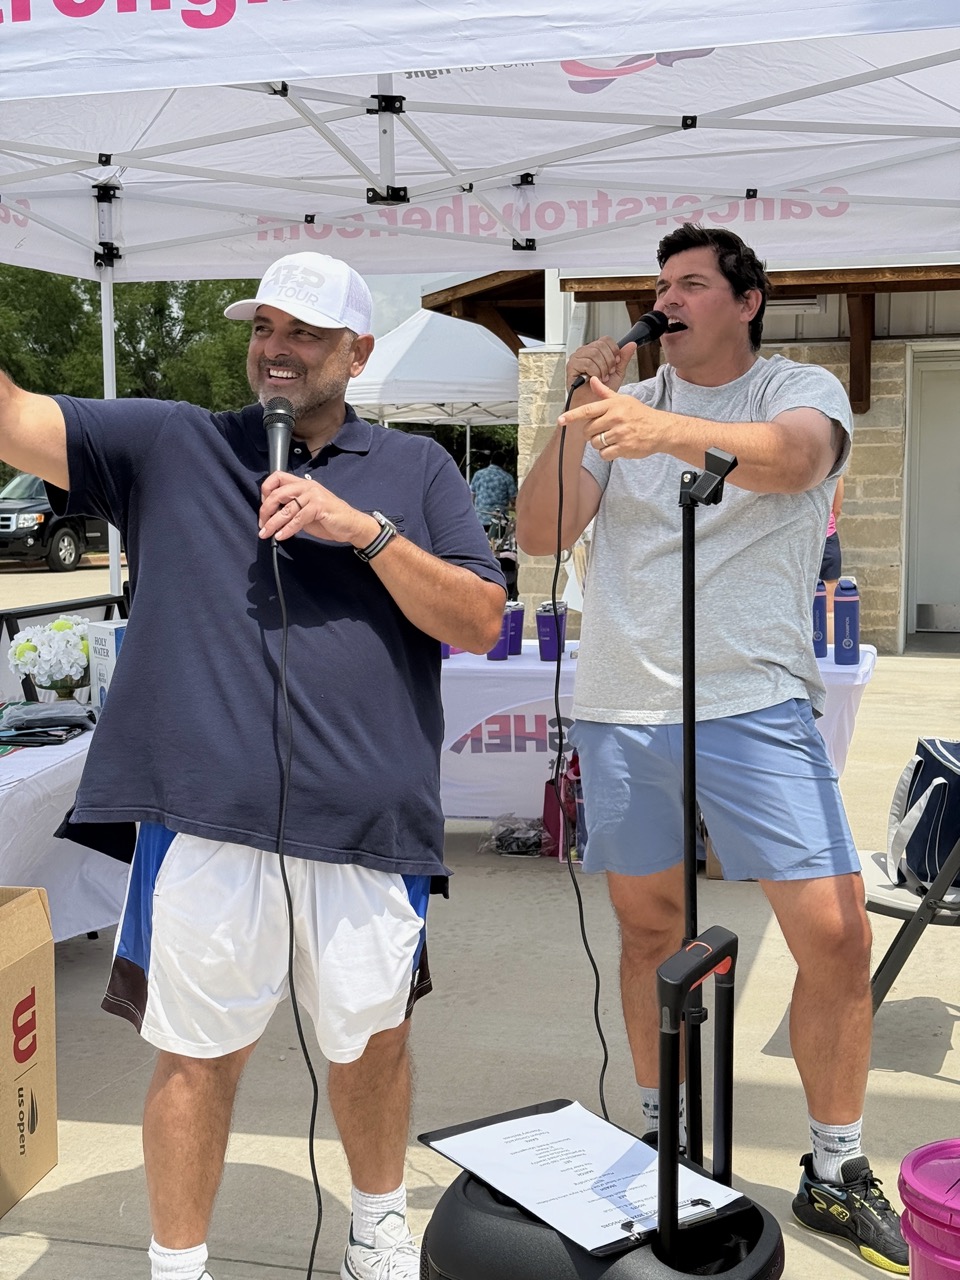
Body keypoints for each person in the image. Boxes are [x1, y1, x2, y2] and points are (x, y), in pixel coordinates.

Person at [0, 250, 506, 1280]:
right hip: (204, 823)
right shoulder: (172, 442)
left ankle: (376, 1233)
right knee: (194, 1052)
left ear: (357, 352)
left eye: (306, 333)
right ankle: (177, 1267)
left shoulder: (418, 469)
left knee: (372, 1040)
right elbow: (10, 417)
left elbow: (481, 620)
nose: (277, 349)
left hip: (366, 826)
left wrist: (364, 533)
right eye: (265, 327)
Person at [515, 224, 907, 1275]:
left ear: (747, 299)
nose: (669, 300)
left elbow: (796, 460)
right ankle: (666, 1138)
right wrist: (578, 408)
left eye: (692, 283)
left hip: (754, 701)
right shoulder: (620, 408)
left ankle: (835, 1164)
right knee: (649, 929)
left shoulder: (796, 386)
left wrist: (658, 427)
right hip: (624, 703)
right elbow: (542, 533)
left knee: (835, 934)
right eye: (660, 286)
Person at [821, 473, 845, 643]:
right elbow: (836, 510)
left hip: (803, 538)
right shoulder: (836, 474)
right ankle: (828, 644)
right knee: (830, 597)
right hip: (827, 538)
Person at [469, 449, 517, 531]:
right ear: (504, 464)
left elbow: (471, 495)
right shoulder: (507, 477)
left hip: (479, 519)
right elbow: (514, 500)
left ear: (491, 461)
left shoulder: (478, 474)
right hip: (498, 521)